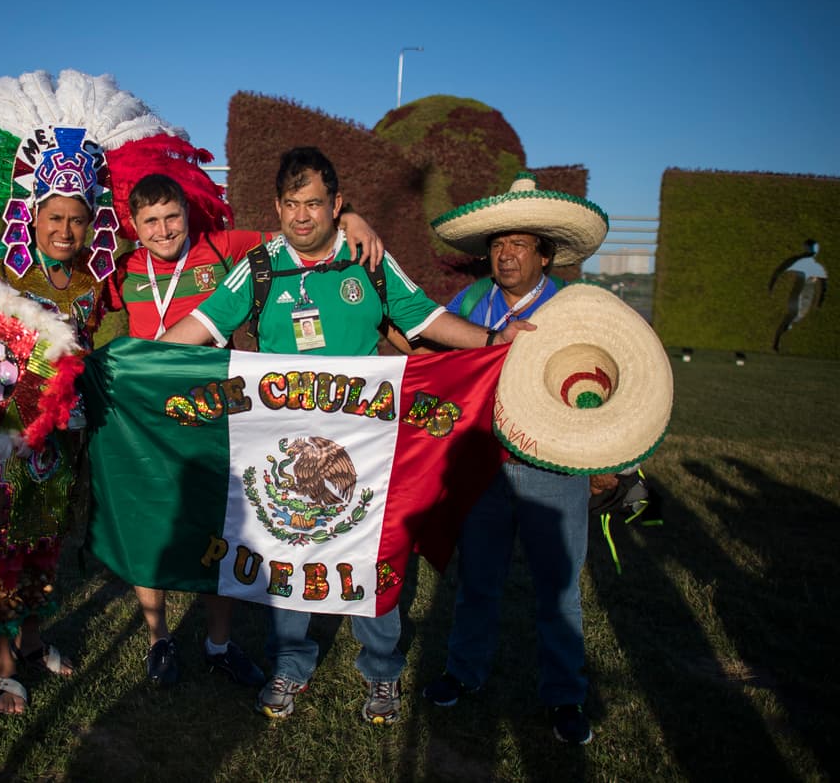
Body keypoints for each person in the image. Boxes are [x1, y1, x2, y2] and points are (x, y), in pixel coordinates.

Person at [160, 147, 529, 724]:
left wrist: (491, 344)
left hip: (367, 445)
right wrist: (138, 362)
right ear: (277, 206)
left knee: (370, 554)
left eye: (313, 204)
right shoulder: (258, 267)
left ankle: (381, 670)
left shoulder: (369, 259)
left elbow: (424, 319)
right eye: (290, 204)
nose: (302, 217)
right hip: (284, 446)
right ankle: (290, 664)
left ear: (336, 205)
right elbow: (201, 325)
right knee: (287, 551)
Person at [108, 173, 385, 689]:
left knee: (224, 528)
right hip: (149, 414)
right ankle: (159, 640)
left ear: (188, 214)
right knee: (150, 527)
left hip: (216, 413)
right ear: (134, 225)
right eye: (151, 221)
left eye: (173, 217)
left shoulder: (224, 246)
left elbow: (303, 235)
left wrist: (351, 217)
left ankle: (218, 643)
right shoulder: (121, 268)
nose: (164, 230)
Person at [419, 172, 613, 745]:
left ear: (545, 255)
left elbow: (601, 386)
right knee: (477, 579)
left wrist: (608, 457)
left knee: (558, 590)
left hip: (555, 470)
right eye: (498, 245)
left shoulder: (574, 310)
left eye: (519, 245)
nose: (505, 255)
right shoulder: (471, 301)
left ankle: (564, 697)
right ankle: (464, 672)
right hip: (483, 466)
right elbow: (436, 353)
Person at [0, 126, 114, 716]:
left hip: (63, 436)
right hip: (3, 440)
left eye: (76, 219)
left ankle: (34, 637)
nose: (65, 231)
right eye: (54, 217)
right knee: (0, 545)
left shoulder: (92, 280)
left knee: (46, 541)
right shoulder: (1, 268)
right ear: (32, 215)